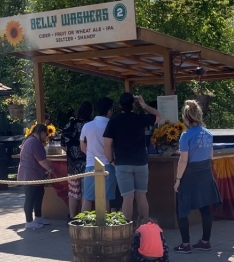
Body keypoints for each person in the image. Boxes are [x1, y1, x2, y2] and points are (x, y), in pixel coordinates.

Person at [104, 93, 162, 223]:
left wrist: (111, 160)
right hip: (141, 162)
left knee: (127, 197)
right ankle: (145, 227)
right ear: (134, 105)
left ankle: (127, 228)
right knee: (141, 195)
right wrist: (144, 104)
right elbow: (159, 115)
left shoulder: (114, 121)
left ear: (119, 105)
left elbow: (107, 144)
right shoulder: (140, 118)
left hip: (122, 163)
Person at [173, 100, 221, 253]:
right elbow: (210, 156)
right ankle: (205, 241)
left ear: (186, 118)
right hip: (206, 173)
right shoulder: (208, 134)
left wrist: (178, 180)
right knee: (205, 207)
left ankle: (185, 244)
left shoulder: (185, 135)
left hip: (190, 175)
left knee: (182, 208)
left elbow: (184, 160)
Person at [80, 97, 117, 210]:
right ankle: (104, 226)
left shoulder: (87, 126)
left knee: (87, 198)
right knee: (105, 198)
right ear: (110, 111)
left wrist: (91, 154)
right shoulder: (113, 125)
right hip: (109, 164)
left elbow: (82, 146)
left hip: (91, 164)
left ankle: (83, 225)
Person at [18, 123, 54, 230]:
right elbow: (42, 161)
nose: (45, 137)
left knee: (39, 193)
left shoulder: (30, 140)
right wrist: (50, 169)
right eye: (45, 135)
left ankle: (38, 216)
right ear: (41, 132)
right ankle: (29, 221)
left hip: (33, 174)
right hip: (30, 174)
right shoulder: (34, 142)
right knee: (30, 197)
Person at [61, 102, 91, 218]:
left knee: (73, 193)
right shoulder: (89, 125)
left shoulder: (69, 125)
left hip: (72, 164)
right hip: (86, 164)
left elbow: (63, 145)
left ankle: (72, 217)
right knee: (85, 193)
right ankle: (83, 219)